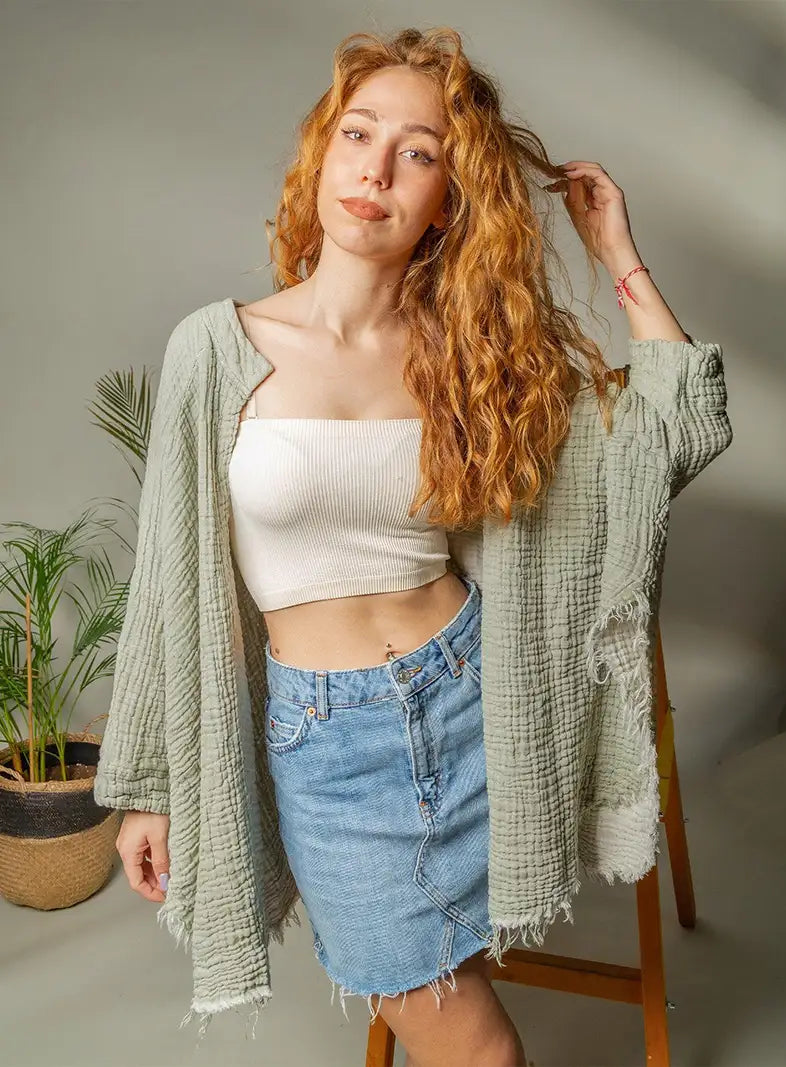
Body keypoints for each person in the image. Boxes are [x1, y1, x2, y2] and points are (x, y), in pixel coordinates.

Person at [96, 25, 733, 1064]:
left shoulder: (475, 363)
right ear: (321, 150)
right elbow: (170, 583)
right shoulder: (216, 349)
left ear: (451, 194)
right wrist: (149, 782)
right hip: (330, 747)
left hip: (478, 703)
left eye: (419, 151)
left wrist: (615, 251)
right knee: (476, 1045)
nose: (375, 168)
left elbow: (676, 431)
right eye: (357, 132)